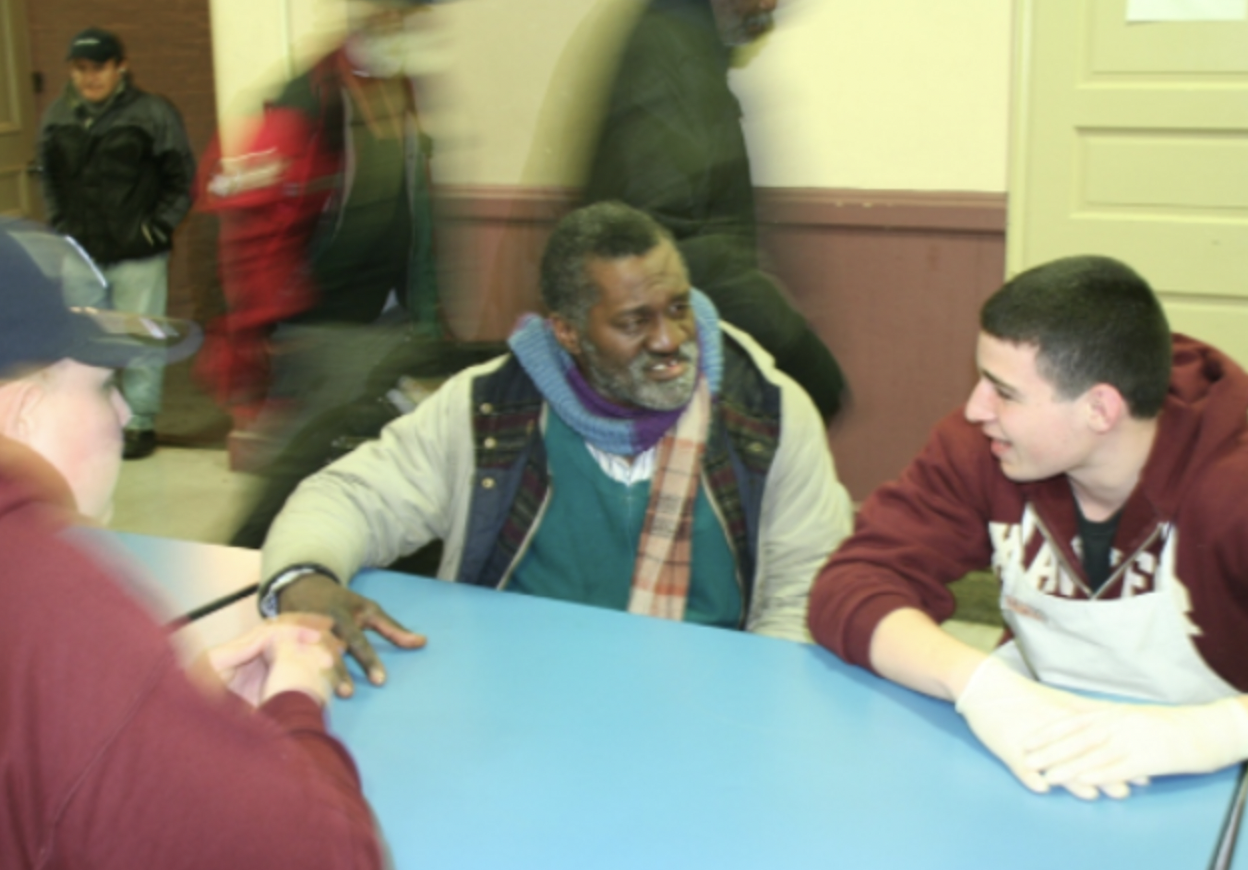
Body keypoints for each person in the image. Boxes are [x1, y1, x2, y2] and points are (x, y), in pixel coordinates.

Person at [259, 201, 853, 691]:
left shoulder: (765, 414)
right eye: (633, 321)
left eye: (678, 308)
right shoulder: (488, 410)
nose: (670, 340)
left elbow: (807, 589)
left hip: (707, 699)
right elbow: (351, 495)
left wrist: (753, 712)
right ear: (566, 332)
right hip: (516, 697)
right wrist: (304, 581)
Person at [0, 218, 382, 868]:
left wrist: (170, 701)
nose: (123, 414)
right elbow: (329, 857)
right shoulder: (56, 604)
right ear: (23, 412)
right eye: (103, 386)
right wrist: (294, 703)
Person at [807, 255, 1248, 801]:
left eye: (1004, 392)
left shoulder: (1233, 485)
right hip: (1037, 741)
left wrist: (1215, 733)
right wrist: (980, 687)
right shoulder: (983, 449)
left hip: (1211, 780)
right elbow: (853, 583)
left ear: (1099, 409)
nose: (974, 409)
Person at [582, 0, 847, 420]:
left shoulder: (682, 47)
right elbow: (668, 243)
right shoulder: (675, 56)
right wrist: (794, 350)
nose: (773, 5)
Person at [199, 0, 443, 443]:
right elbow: (255, 226)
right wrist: (271, 327)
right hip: (322, 331)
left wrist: (428, 315)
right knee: (314, 469)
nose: (402, 28)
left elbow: (419, 215)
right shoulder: (311, 97)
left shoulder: (404, 91)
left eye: (408, 17)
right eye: (392, 15)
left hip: (392, 320)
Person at [38, 27, 196, 460]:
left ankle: (140, 423)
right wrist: (62, 224)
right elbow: (48, 178)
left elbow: (182, 178)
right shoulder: (56, 117)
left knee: (140, 337)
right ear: (72, 71)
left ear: (120, 67)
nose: (90, 78)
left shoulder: (152, 113)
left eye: (99, 68)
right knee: (86, 341)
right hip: (80, 252)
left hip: (138, 253)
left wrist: (157, 229)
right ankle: (97, 419)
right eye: (80, 69)